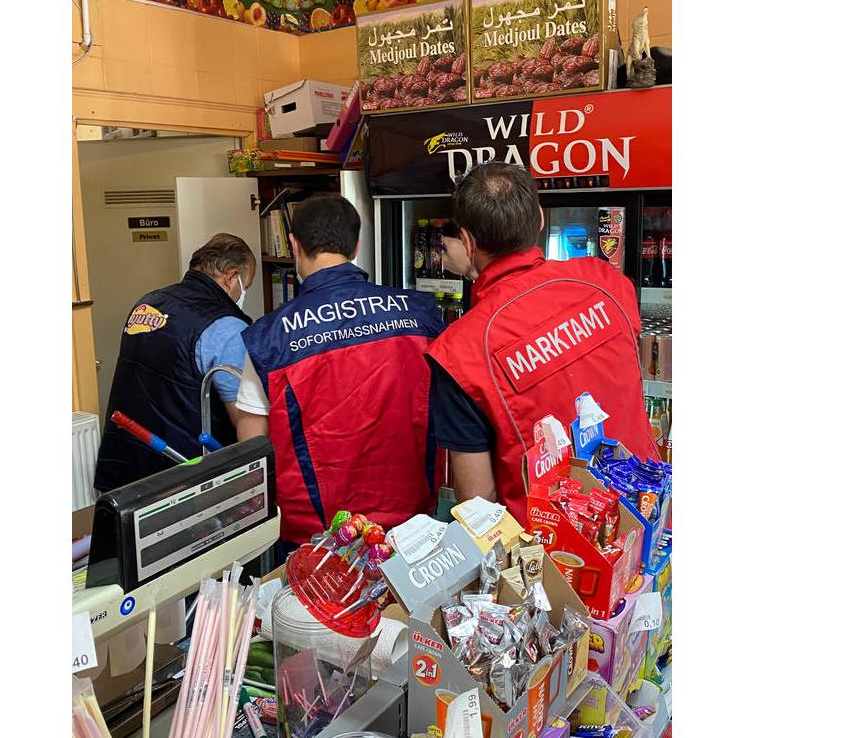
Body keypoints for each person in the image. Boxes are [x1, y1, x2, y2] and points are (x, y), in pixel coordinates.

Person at [425, 163, 658, 523]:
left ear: (468, 242)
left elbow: (478, 503)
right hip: (649, 515)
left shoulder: (458, 350)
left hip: (551, 546)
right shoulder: (605, 281)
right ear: (539, 217)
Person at [235, 193, 446, 550]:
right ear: (356, 246)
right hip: (412, 525)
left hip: (315, 538)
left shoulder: (269, 337)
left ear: (294, 244)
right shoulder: (421, 314)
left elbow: (252, 445)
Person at [93, 233, 256, 492]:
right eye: (245, 286)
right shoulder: (226, 326)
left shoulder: (147, 303)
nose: (241, 295)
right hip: (184, 478)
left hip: (125, 464)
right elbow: (246, 422)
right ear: (230, 277)